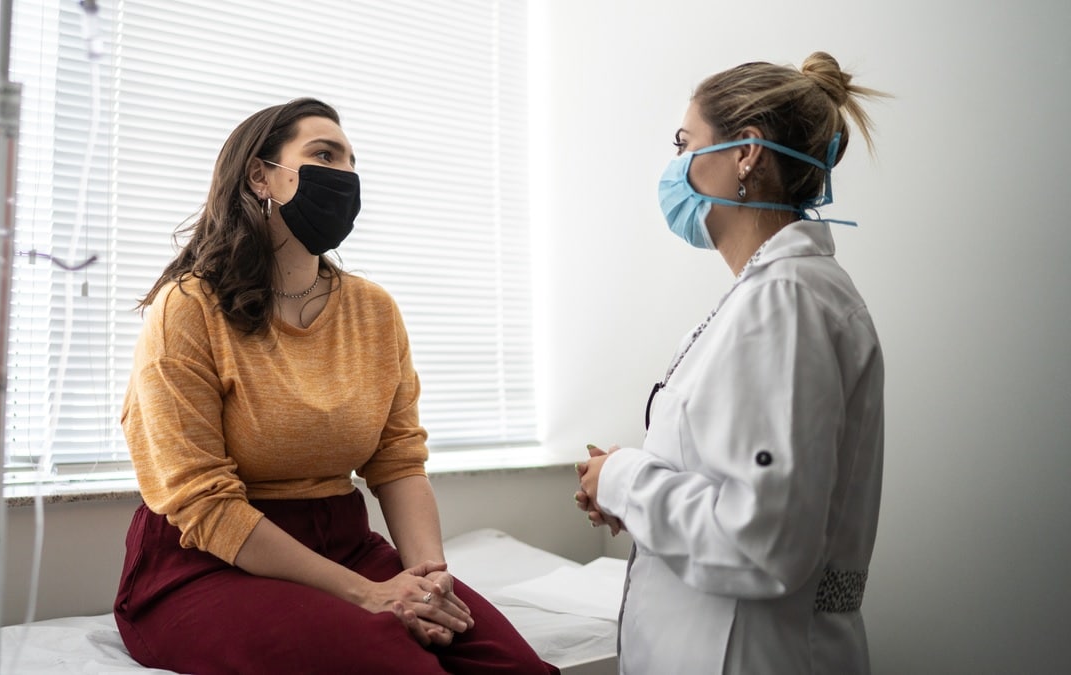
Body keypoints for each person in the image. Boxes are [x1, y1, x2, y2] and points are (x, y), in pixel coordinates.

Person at [114, 98, 557, 675]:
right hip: (207, 563)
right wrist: (368, 594)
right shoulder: (188, 309)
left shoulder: (373, 311)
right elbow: (202, 502)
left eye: (351, 161)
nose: (344, 175)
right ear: (261, 175)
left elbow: (397, 459)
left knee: (514, 667)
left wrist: (429, 580)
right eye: (324, 154)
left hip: (344, 545)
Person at [575, 52, 888, 674]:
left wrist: (621, 479)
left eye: (684, 143)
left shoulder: (786, 302)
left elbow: (762, 542)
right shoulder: (771, 295)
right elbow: (740, 484)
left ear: (747, 151)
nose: (674, 166)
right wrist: (631, 493)